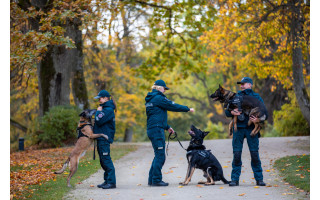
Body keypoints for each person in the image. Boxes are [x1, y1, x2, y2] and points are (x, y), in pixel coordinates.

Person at [145, 79, 195, 187]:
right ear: (159, 88)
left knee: (158, 155)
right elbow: (173, 106)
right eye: (164, 88)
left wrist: (167, 127)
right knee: (160, 156)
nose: (165, 91)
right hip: (157, 130)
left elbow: (155, 116)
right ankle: (156, 180)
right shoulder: (159, 98)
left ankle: (152, 179)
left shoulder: (150, 99)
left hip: (152, 128)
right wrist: (187, 109)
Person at [225, 77, 268, 187]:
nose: (241, 86)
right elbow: (227, 111)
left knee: (254, 155)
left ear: (250, 85)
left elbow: (265, 113)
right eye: (241, 84)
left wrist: (258, 120)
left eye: (244, 84)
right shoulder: (236, 96)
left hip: (251, 130)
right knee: (237, 155)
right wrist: (232, 112)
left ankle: (259, 179)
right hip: (238, 129)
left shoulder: (256, 97)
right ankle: (234, 179)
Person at [93, 90, 117, 189]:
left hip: (104, 138)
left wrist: (98, 111)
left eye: (100, 98)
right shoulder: (105, 108)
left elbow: (99, 120)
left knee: (106, 160)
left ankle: (111, 182)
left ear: (106, 98)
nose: (99, 100)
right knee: (103, 160)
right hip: (100, 137)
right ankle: (107, 180)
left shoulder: (108, 110)